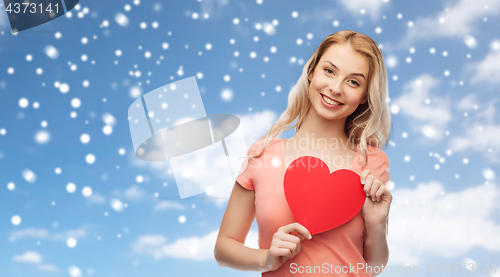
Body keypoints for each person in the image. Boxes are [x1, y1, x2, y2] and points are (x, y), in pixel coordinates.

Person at [214, 30, 393, 276]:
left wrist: (377, 224)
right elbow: (224, 247)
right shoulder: (263, 153)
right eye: (329, 71)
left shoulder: (372, 160)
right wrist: (266, 259)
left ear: (364, 96)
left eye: (353, 81)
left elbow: (373, 267)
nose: (336, 88)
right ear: (311, 72)